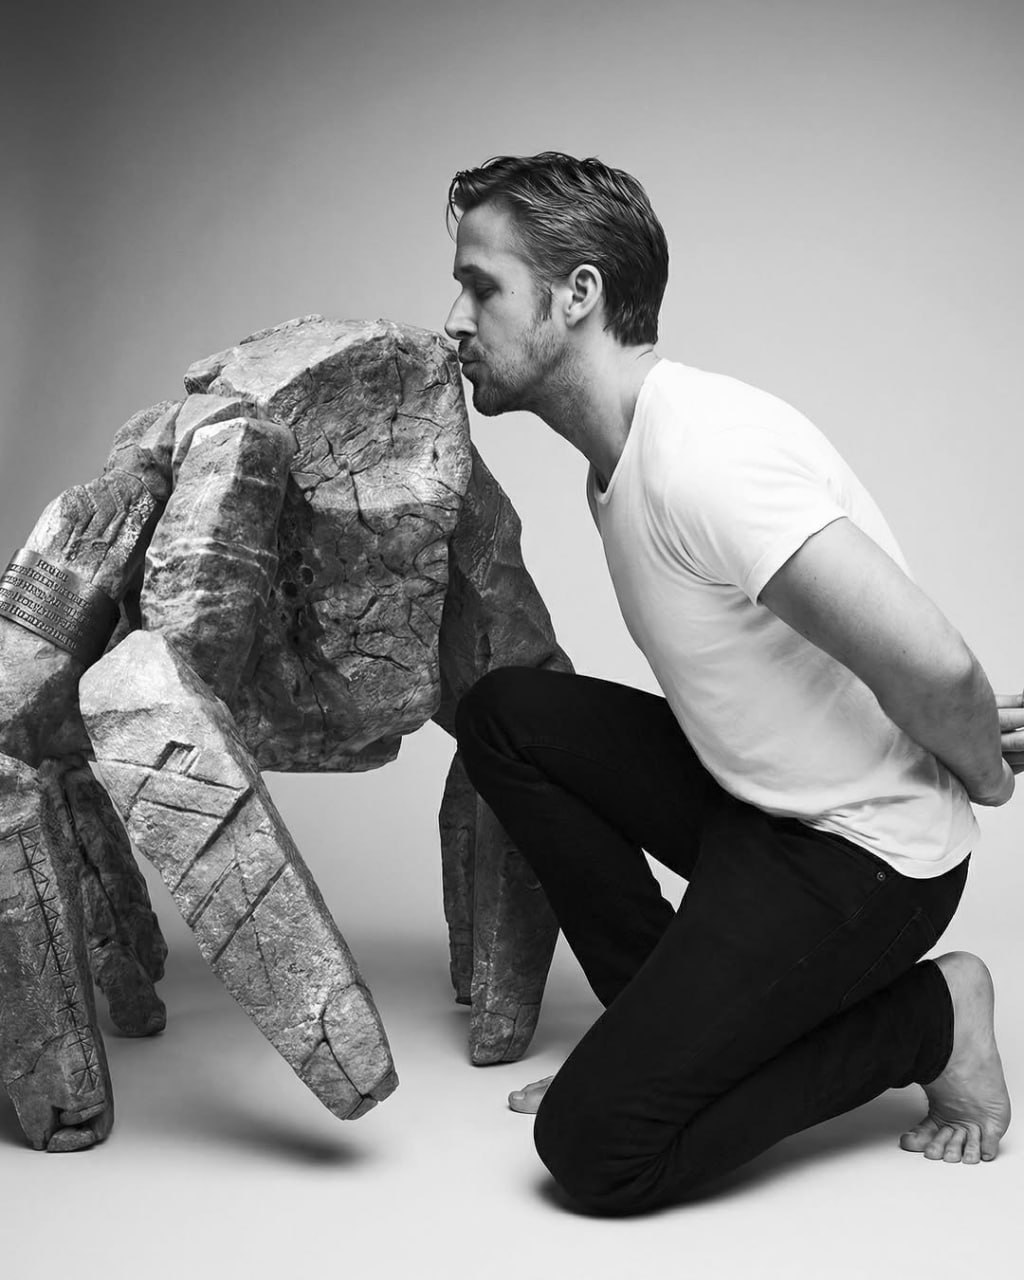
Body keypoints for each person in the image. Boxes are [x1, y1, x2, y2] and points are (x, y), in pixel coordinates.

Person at [444, 152, 1017, 1215]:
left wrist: (978, 767)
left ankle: (934, 1017)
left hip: (861, 857)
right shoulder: (619, 454)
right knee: (505, 718)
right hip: (757, 803)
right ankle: (660, 1035)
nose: (455, 319)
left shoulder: (706, 455)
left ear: (577, 295)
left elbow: (935, 665)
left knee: (597, 1147)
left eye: (482, 287)